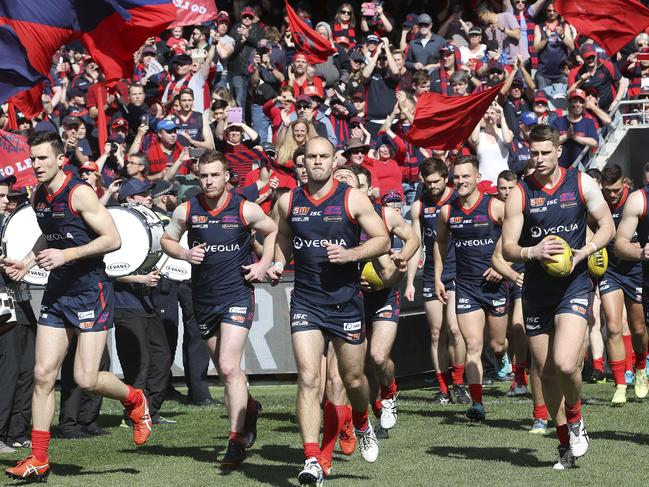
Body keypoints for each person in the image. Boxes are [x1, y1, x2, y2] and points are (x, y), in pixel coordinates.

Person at [4, 131, 152, 482]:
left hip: (90, 291)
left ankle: (134, 399)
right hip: (58, 292)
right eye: (33, 158)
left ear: (59, 159)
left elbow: (113, 239)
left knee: (86, 378)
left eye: (42, 158)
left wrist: (67, 254)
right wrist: (26, 261)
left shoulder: (80, 192)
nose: (36, 164)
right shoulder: (39, 195)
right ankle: (39, 457)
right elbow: (51, 233)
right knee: (43, 374)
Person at [268, 136, 390, 484]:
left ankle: (363, 420)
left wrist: (351, 254)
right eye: (311, 157)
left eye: (324, 156)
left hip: (347, 303)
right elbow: (283, 239)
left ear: (334, 160)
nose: (318, 162)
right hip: (306, 301)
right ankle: (312, 459)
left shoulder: (352, 198)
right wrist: (277, 263)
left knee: (352, 380)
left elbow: (381, 239)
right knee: (308, 378)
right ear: (302, 162)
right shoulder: (289, 201)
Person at [501, 125, 614, 469]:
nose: (538, 160)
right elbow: (507, 247)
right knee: (546, 373)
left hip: (575, 285)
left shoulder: (581, 183)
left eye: (545, 153)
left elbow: (606, 224)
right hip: (536, 291)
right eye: (533, 154)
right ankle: (564, 441)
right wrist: (532, 251)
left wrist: (586, 250)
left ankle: (576, 418)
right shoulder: (520, 193)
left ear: (558, 151)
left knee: (566, 364)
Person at [161, 150, 277, 467]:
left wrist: (264, 264)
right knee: (228, 373)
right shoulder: (187, 209)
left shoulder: (245, 208)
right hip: (203, 299)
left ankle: (235, 441)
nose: (209, 181)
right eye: (203, 175)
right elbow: (166, 241)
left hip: (237, 295)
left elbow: (273, 230)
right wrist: (185, 255)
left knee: (227, 366)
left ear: (227, 176)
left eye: (215, 175)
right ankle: (250, 408)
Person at [434, 155, 509, 421]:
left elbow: (514, 236)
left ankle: (505, 358)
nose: (461, 181)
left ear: (477, 177)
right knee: (473, 344)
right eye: (457, 177)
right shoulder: (447, 211)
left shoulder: (496, 207)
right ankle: (477, 403)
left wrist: (501, 265)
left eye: (466, 176)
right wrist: (438, 278)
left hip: (496, 285)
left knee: (497, 344)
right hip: (465, 286)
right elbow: (440, 243)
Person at [406, 158, 469, 405]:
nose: (432, 186)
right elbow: (416, 244)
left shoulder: (457, 200)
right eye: (428, 182)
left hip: (458, 272)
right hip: (432, 273)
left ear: (446, 178)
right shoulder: (419, 207)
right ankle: (443, 389)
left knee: (455, 329)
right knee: (436, 333)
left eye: (436, 181)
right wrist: (411, 281)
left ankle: (460, 383)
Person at [599, 165, 648, 404]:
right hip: (610, 271)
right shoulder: (597, 204)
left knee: (638, 328)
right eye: (608, 190)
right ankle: (620, 383)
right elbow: (588, 228)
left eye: (617, 190)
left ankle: (640, 367)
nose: (613, 195)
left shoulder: (635, 199)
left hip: (636, 270)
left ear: (624, 184)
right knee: (614, 325)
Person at [0, 175, 38, 453]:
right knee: (9, 369)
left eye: (8, 196)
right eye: (1, 197)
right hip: (3, 303)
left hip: (20, 298)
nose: (7, 201)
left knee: (28, 366)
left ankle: (17, 429)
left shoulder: (11, 224)